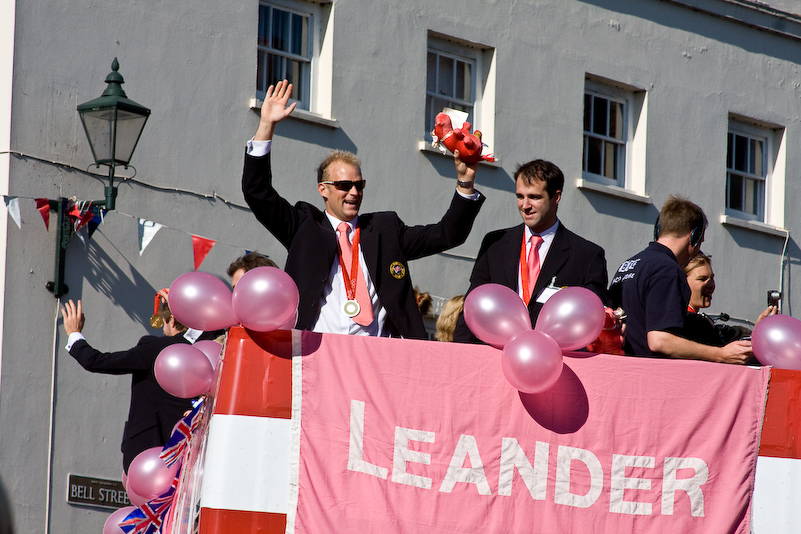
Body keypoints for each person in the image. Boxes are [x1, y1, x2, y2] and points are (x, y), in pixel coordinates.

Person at [242, 80, 485, 339]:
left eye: (359, 185)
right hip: (318, 353)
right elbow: (258, 193)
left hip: (379, 358)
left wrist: (465, 180)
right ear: (323, 189)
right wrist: (266, 125)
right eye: (344, 185)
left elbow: (447, 234)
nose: (354, 192)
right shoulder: (304, 226)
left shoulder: (384, 229)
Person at [453, 159, 609, 343]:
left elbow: (592, 322)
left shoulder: (587, 255)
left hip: (556, 361)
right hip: (494, 358)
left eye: (534, 197)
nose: (525, 205)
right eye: (520, 196)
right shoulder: (495, 243)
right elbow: (472, 309)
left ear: (556, 197)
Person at [608, 195, 753, 363]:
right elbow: (660, 341)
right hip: (649, 377)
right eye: (700, 242)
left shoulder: (628, 265)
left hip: (621, 372)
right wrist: (721, 354)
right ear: (694, 236)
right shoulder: (667, 269)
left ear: (658, 230)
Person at [62, 297, 197, 472]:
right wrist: (183, 304)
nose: (163, 331)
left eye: (163, 323)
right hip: (190, 452)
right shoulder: (205, 350)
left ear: (171, 319)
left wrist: (74, 333)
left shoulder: (155, 348)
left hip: (153, 450)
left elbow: (96, 361)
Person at [682, 252, 777, 346]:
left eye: (712, 278)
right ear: (682, 281)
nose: (711, 285)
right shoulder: (685, 321)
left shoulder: (693, 319)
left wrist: (757, 332)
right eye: (702, 279)